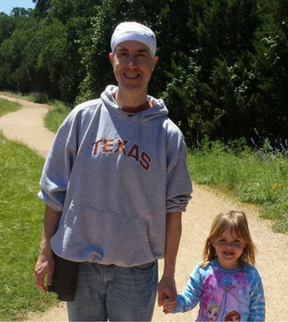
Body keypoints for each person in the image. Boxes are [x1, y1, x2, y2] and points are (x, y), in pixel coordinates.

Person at [34, 21, 192, 321]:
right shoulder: (83, 118)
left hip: (137, 270)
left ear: (154, 63)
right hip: (81, 266)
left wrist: (169, 273)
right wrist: (45, 252)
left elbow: (175, 211)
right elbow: (54, 192)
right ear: (112, 59)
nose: (132, 64)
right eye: (124, 53)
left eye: (141, 55)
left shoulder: (168, 136)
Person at [162, 210, 266, 321]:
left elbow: (257, 310)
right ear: (213, 241)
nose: (229, 246)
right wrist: (175, 304)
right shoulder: (203, 271)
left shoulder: (250, 275)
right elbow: (190, 297)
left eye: (236, 241)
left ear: (244, 243)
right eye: (222, 240)